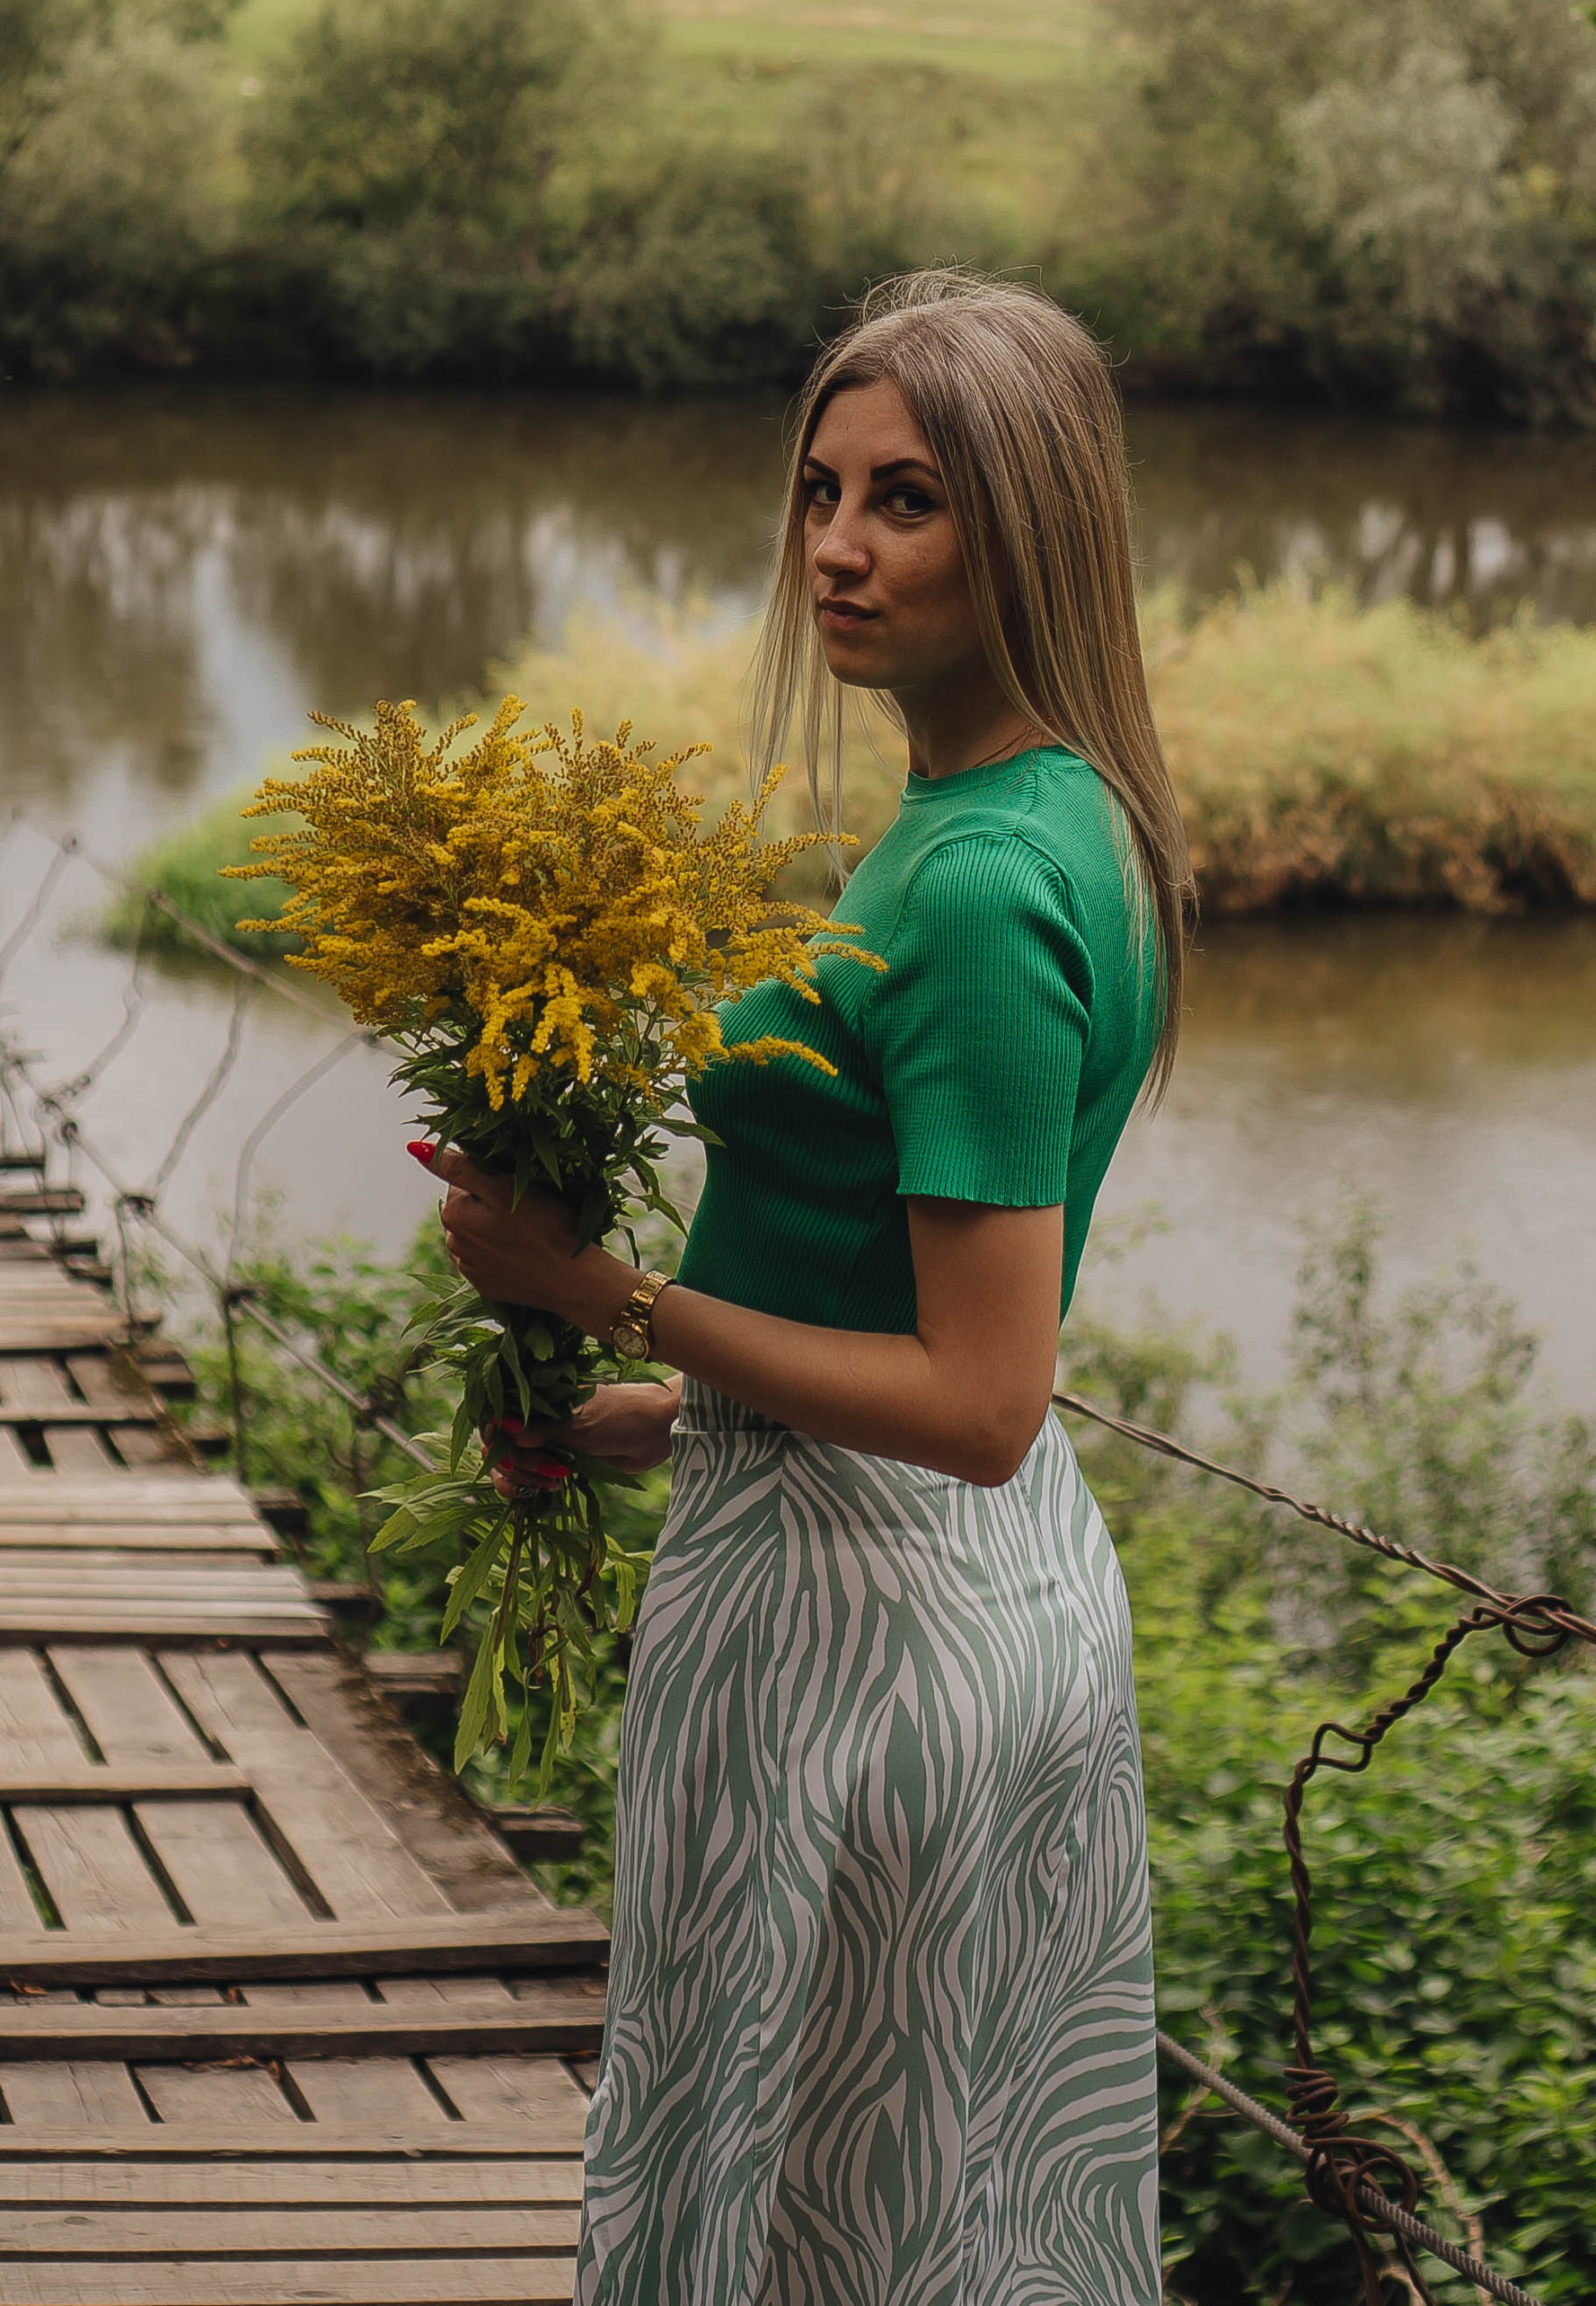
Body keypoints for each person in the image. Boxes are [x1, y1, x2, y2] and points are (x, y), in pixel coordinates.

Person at [421, 271, 1190, 2305]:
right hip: (981, 1607)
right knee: (935, 2210)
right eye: (819, 488)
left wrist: (591, 1286)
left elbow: (980, 1395)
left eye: (910, 500)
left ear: (1031, 525)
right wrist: (648, 1420)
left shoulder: (966, 888)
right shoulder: (1054, 821)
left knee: (796, 2221)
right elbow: (900, 1326)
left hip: (864, 1662)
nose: (837, 549)